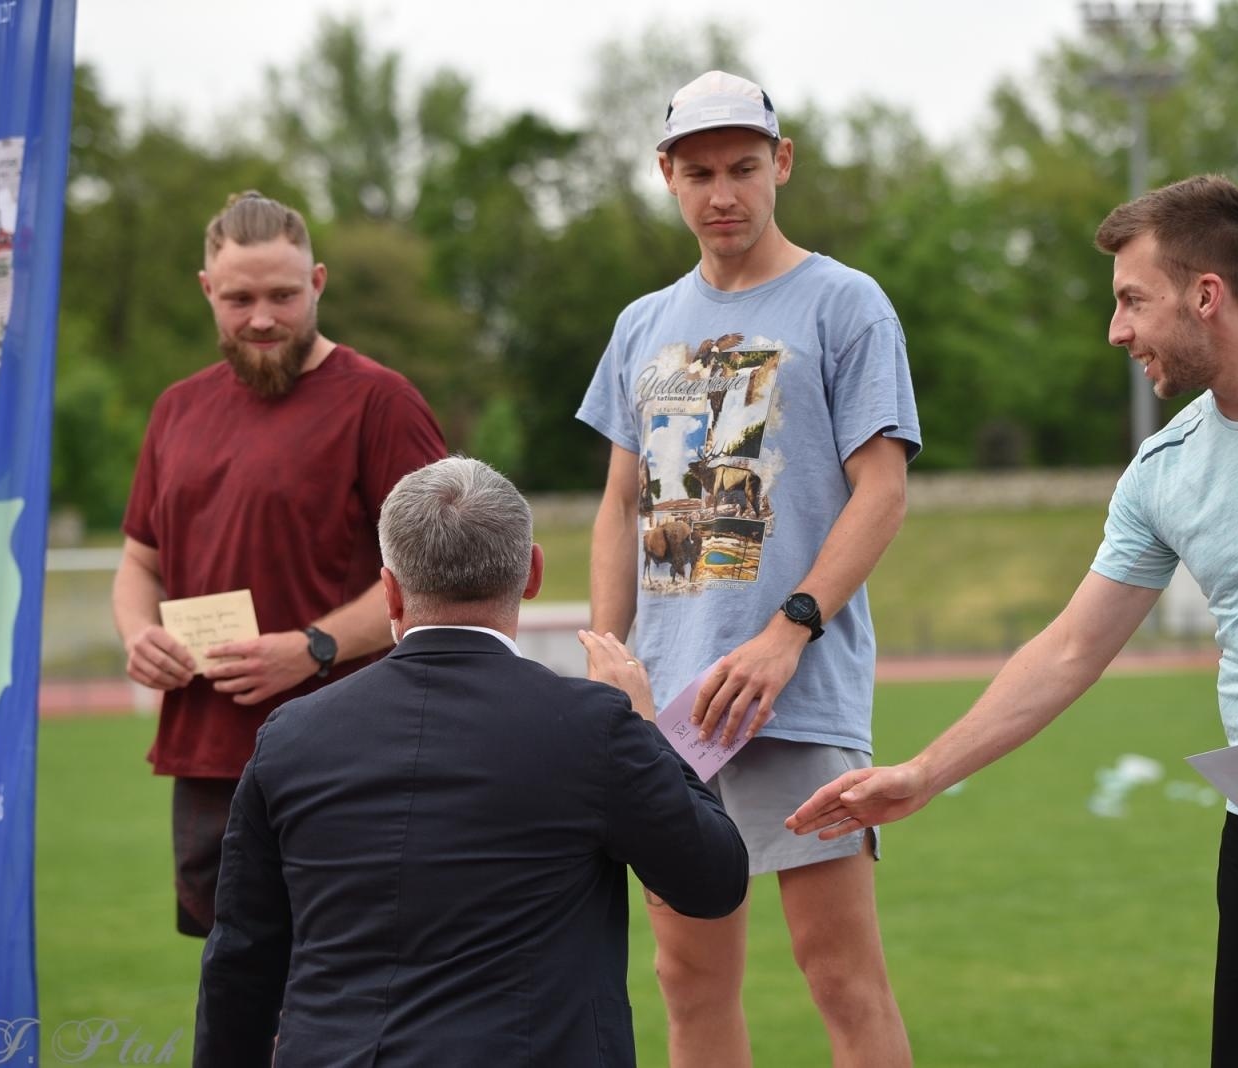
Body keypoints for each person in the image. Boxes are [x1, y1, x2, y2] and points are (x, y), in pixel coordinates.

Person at [788, 175, 1238, 1066]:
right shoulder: (1164, 469)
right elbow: (1068, 649)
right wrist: (925, 774)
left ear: (1206, 295)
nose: (1116, 330)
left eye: (1133, 300)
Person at [576, 70, 921, 1068]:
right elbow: (619, 502)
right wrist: (610, 655)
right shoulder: (641, 323)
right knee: (687, 984)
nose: (721, 191)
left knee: (841, 976)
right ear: (666, 178)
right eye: (697, 172)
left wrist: (788, 631)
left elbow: (882, 492)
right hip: (669, 709)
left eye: (741, 166)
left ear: (782, 164)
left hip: (793, 698)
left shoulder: (845, 305)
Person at [193, 456, 749, 1067]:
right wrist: (646, 724)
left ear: (389, 591)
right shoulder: (594, 727)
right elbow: (713, 880)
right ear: (532, 572)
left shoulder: (292, 735)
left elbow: (242, 958)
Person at [110, 191, 448, 938]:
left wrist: (313, 648)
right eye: (240, 298)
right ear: (207, 292)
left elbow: (439, 572)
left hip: (347, 751)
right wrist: (138, 633)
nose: (261, 317)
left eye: (283, 295)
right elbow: (140, 559)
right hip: (208, 755)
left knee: (349, 993)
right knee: (237, 995)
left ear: (318, 283)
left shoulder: (379, 403)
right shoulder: (175, 410)